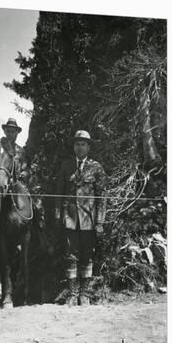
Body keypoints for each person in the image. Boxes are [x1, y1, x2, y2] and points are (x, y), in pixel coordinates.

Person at [54, 130, 107, 306]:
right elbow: (59, 193)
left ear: (89, 147)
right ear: (73, 146)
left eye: (83, 143)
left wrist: (100, 222)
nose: (80, 147)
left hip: (89, 220)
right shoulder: (66, 166)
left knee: (87, 256)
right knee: (70, 256)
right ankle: (72, 293)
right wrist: (58, 215)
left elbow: (102, 197)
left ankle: (84, 294)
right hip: (70, 219)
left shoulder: (96, 167)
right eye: (77, 143)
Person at [0, 117, 29, 183]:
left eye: (13, 132)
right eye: (8, 131)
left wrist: (25, 173)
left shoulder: (20, 151)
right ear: (5, 132)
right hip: (0, 181)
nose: (10, 134)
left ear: (17, 133)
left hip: (15, 183)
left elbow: (24, 167)